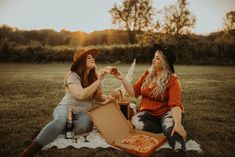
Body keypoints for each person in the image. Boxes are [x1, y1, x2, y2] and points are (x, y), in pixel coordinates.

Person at [18, 48, 114, 157]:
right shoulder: (72, 75)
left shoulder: (96, 77)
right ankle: (31, 149)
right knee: (60, 121)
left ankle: (51, 130)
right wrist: (98, 81)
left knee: (85, 126)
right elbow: (80, 95)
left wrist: (107, 98)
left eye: (92, 57)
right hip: (66, 108)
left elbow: (98, 96)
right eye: (88, 57)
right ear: (81, 62)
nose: (92, 59)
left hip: (83, 112)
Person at [112, 44, 187, 156]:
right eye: (154, 57)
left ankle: (179, 148)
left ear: (165, 62)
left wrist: (177, 124)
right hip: (147, 113)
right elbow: (134, 92)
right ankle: (164, 130)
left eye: (157, 58)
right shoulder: (147, 75)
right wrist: (122, 78)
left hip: (166, 112)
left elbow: (175, 104)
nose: (153, 60)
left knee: (171, 126)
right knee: (136, 123)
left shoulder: (173, 80)